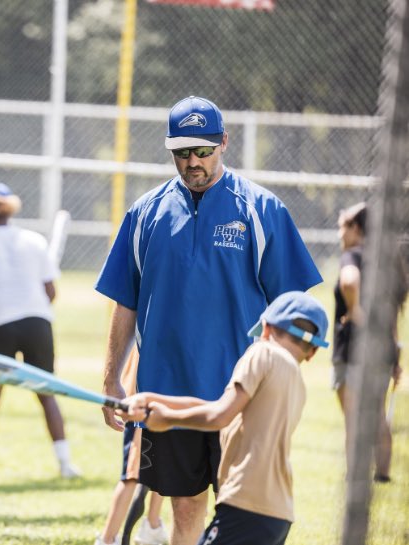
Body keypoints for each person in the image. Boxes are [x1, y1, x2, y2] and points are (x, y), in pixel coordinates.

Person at [95, 96, 322, 545]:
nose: (193, 162)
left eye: (202, 150)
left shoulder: (262, 209)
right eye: (182, 152)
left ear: (223, 142)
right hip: (168, 392)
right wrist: (110, 382)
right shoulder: (144, 214)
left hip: (241, 396)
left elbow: (294, 305)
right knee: (184, 507)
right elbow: (125, 302)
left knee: (244, 511)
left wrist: (283, 380)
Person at [121, 291, 329, 545]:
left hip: (245, 502)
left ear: (265, 329)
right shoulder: (296, 381)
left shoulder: (261, 354)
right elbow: (221, 406)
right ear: (312, 352)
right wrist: (155, 399)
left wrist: (168, 419)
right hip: (279, 513)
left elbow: (219, 416)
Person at [0, 180, 80, 479]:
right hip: (38, 322)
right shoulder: (34, 240)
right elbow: (50, 291)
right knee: (47, 391)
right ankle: (65, 465)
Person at [331, 202, 406, 482]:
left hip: (351, 351)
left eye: (343, 228)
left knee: (353, 419)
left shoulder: (352, 257)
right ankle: (383, 474)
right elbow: (392, 319)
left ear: (357, 229)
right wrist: (396, 360)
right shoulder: (387, 263)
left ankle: (355, 477)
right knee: (376, 416)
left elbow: (349, 282)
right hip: (383, 353)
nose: (340, 235)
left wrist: (355, 311)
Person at [95, 349, 168, 545]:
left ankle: (152, 526)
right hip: (140, 403)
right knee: (132, 474)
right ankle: (108, 538)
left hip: (164, 401)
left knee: (164, 466)